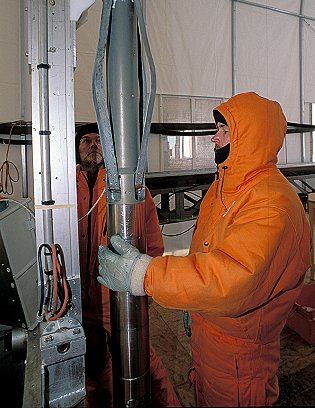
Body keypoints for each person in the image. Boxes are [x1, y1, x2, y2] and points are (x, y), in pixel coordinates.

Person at [98, 91, 312, 407]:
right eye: (217, 128)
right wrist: (196, 306)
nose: (214, 138)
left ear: (251, 137)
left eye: (225, 130)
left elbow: (231, 281)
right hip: (212, 338)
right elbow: (208, 256)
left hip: (240, 359)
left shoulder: (271, 203)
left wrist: (144, 274)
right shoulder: (224, 187)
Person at [75, 122, 181, 408]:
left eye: (99, 140)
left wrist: (142, 284)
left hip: (116, 299)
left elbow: (153, 244)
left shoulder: (130, 190)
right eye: (86, 140)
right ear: (76, 147)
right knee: (90, 367)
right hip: (78, 300)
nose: (93, 145)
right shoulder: (62, 189)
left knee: (141, 362)